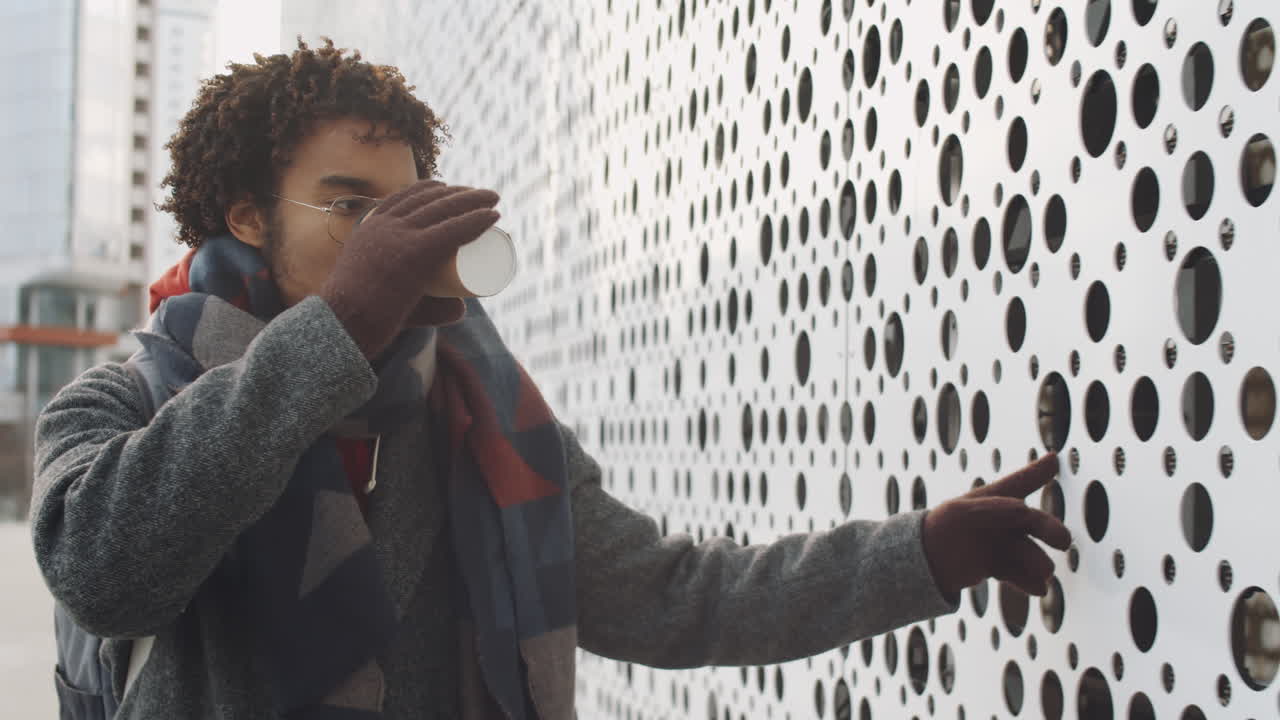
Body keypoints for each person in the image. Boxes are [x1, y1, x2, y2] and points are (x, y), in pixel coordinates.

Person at [28, 39, 1072, 720]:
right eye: (351, 208)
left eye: (405, 210)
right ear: (247, 217)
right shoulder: (126, 402)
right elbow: (107, 573)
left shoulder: (476, 406)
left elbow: (672, 597)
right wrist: (337, 329)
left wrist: (919, 554)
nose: (388, 241)